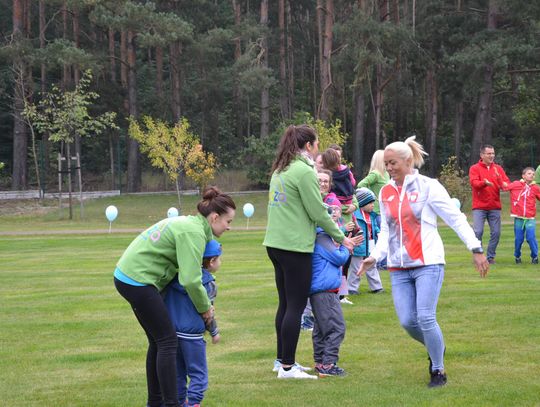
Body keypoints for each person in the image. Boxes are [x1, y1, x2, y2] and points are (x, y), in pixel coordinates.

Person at [357, 136, 489, 388]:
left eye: (393, 162)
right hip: (398, 267)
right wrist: (374, 256)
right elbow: (386, 231)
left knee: (426, 318)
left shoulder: (429, 186)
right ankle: (436, 345)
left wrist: (476, 247)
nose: (389, 168)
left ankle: (437, 369)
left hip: (428, 263)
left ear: (408, 161)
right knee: (408, 321)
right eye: (386, 163)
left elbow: (455, 218)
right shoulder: (385, 192)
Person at [113, 187, 236, 407]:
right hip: (137, 280)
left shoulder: (193, 226)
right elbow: (190, 280)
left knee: (158, 341)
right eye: (228, 221)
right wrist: (205, 308)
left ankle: (156, 403)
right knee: (167, 341)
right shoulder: (194, 232)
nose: (229, 227)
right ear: (215, 217)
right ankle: (171, 404)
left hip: (129, 277)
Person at [264, 124, 360, 380]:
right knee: (295, 306)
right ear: (308, 146)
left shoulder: (280, 169)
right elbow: (317, 211)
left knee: (285, 304)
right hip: (294, 246)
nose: (317, 149)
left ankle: (281, 361)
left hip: (274, 243)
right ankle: (287, 367)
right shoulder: (304, 171)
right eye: (316, 144)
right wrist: (342, 238)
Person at [163, 239, 222, 407]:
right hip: (192, 337)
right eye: (219, 259)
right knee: (198, 374)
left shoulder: (175, 278)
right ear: (211, 262)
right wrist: (214, 332)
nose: (220, 262)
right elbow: (208, 314)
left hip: (172, 334)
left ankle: (180, 402)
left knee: (178, 373)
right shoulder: (208, 284)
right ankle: (193, 403)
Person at [310, 226, 350, 377]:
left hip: (320, 291)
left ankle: (320, 362)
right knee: (337, 328)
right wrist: (346, 246)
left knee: (321, 329)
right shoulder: (322, 238)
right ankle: (328, 364)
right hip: (324, 291)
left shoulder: (319, 237)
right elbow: (339, 258)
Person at [469, 145, 510, 264]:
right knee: (478, 232)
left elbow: (505, 182)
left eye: (493, 153)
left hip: (494, 206)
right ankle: (479, 257)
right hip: (479, 207)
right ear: (482, 155)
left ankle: (490, 257)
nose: (492, 155)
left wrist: (506, 186)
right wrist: (484, 183)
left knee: (496, 233)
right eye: (489, 153)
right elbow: (474, 183)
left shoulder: (498, 168)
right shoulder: (474, 168)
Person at [347, 187, 384, 295]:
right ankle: (352, 288)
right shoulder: (355, 215)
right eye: (370, 203)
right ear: (362, 203)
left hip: (371, 244)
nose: (373, 205)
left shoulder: (371, 216)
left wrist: (378, 232)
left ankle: (376, 286)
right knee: (356, 267)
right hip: (359, 245)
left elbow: (374, 226)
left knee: (372, 265)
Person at [506, 167, 540, 264]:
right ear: (523, 176)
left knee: (531, 237)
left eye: (533, 174)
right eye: (529, 173)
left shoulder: (535, 188)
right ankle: (517, 256)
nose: (532, 175)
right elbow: (505, 187)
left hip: (530, 218)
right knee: (519, 239)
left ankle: (535, 256)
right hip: (519, 218)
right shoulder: (516, 184)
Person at [356, 149, 390, 224]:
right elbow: (361, 185)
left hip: (385, 210)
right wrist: (370, 197)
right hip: (376, 211)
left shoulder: (386, 174)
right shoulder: (375, 174)